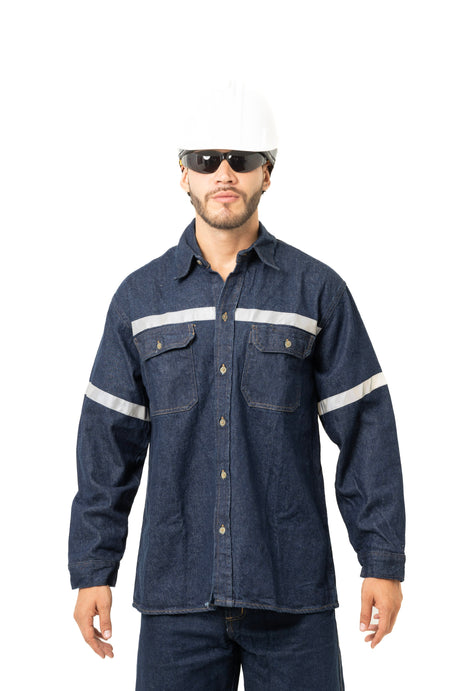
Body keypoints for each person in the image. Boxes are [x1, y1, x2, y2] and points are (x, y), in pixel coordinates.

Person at [69, 80, 405, 690]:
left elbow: (366, 428)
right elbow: (107, 445)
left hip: (291, 592)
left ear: (266, 174)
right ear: (183, 174)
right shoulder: (140, 300)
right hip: (177, 598)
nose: (224, 174)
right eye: (206, 160)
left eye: (242, 159)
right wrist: (94, 568)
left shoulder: (317, 291)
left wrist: (381, 560)